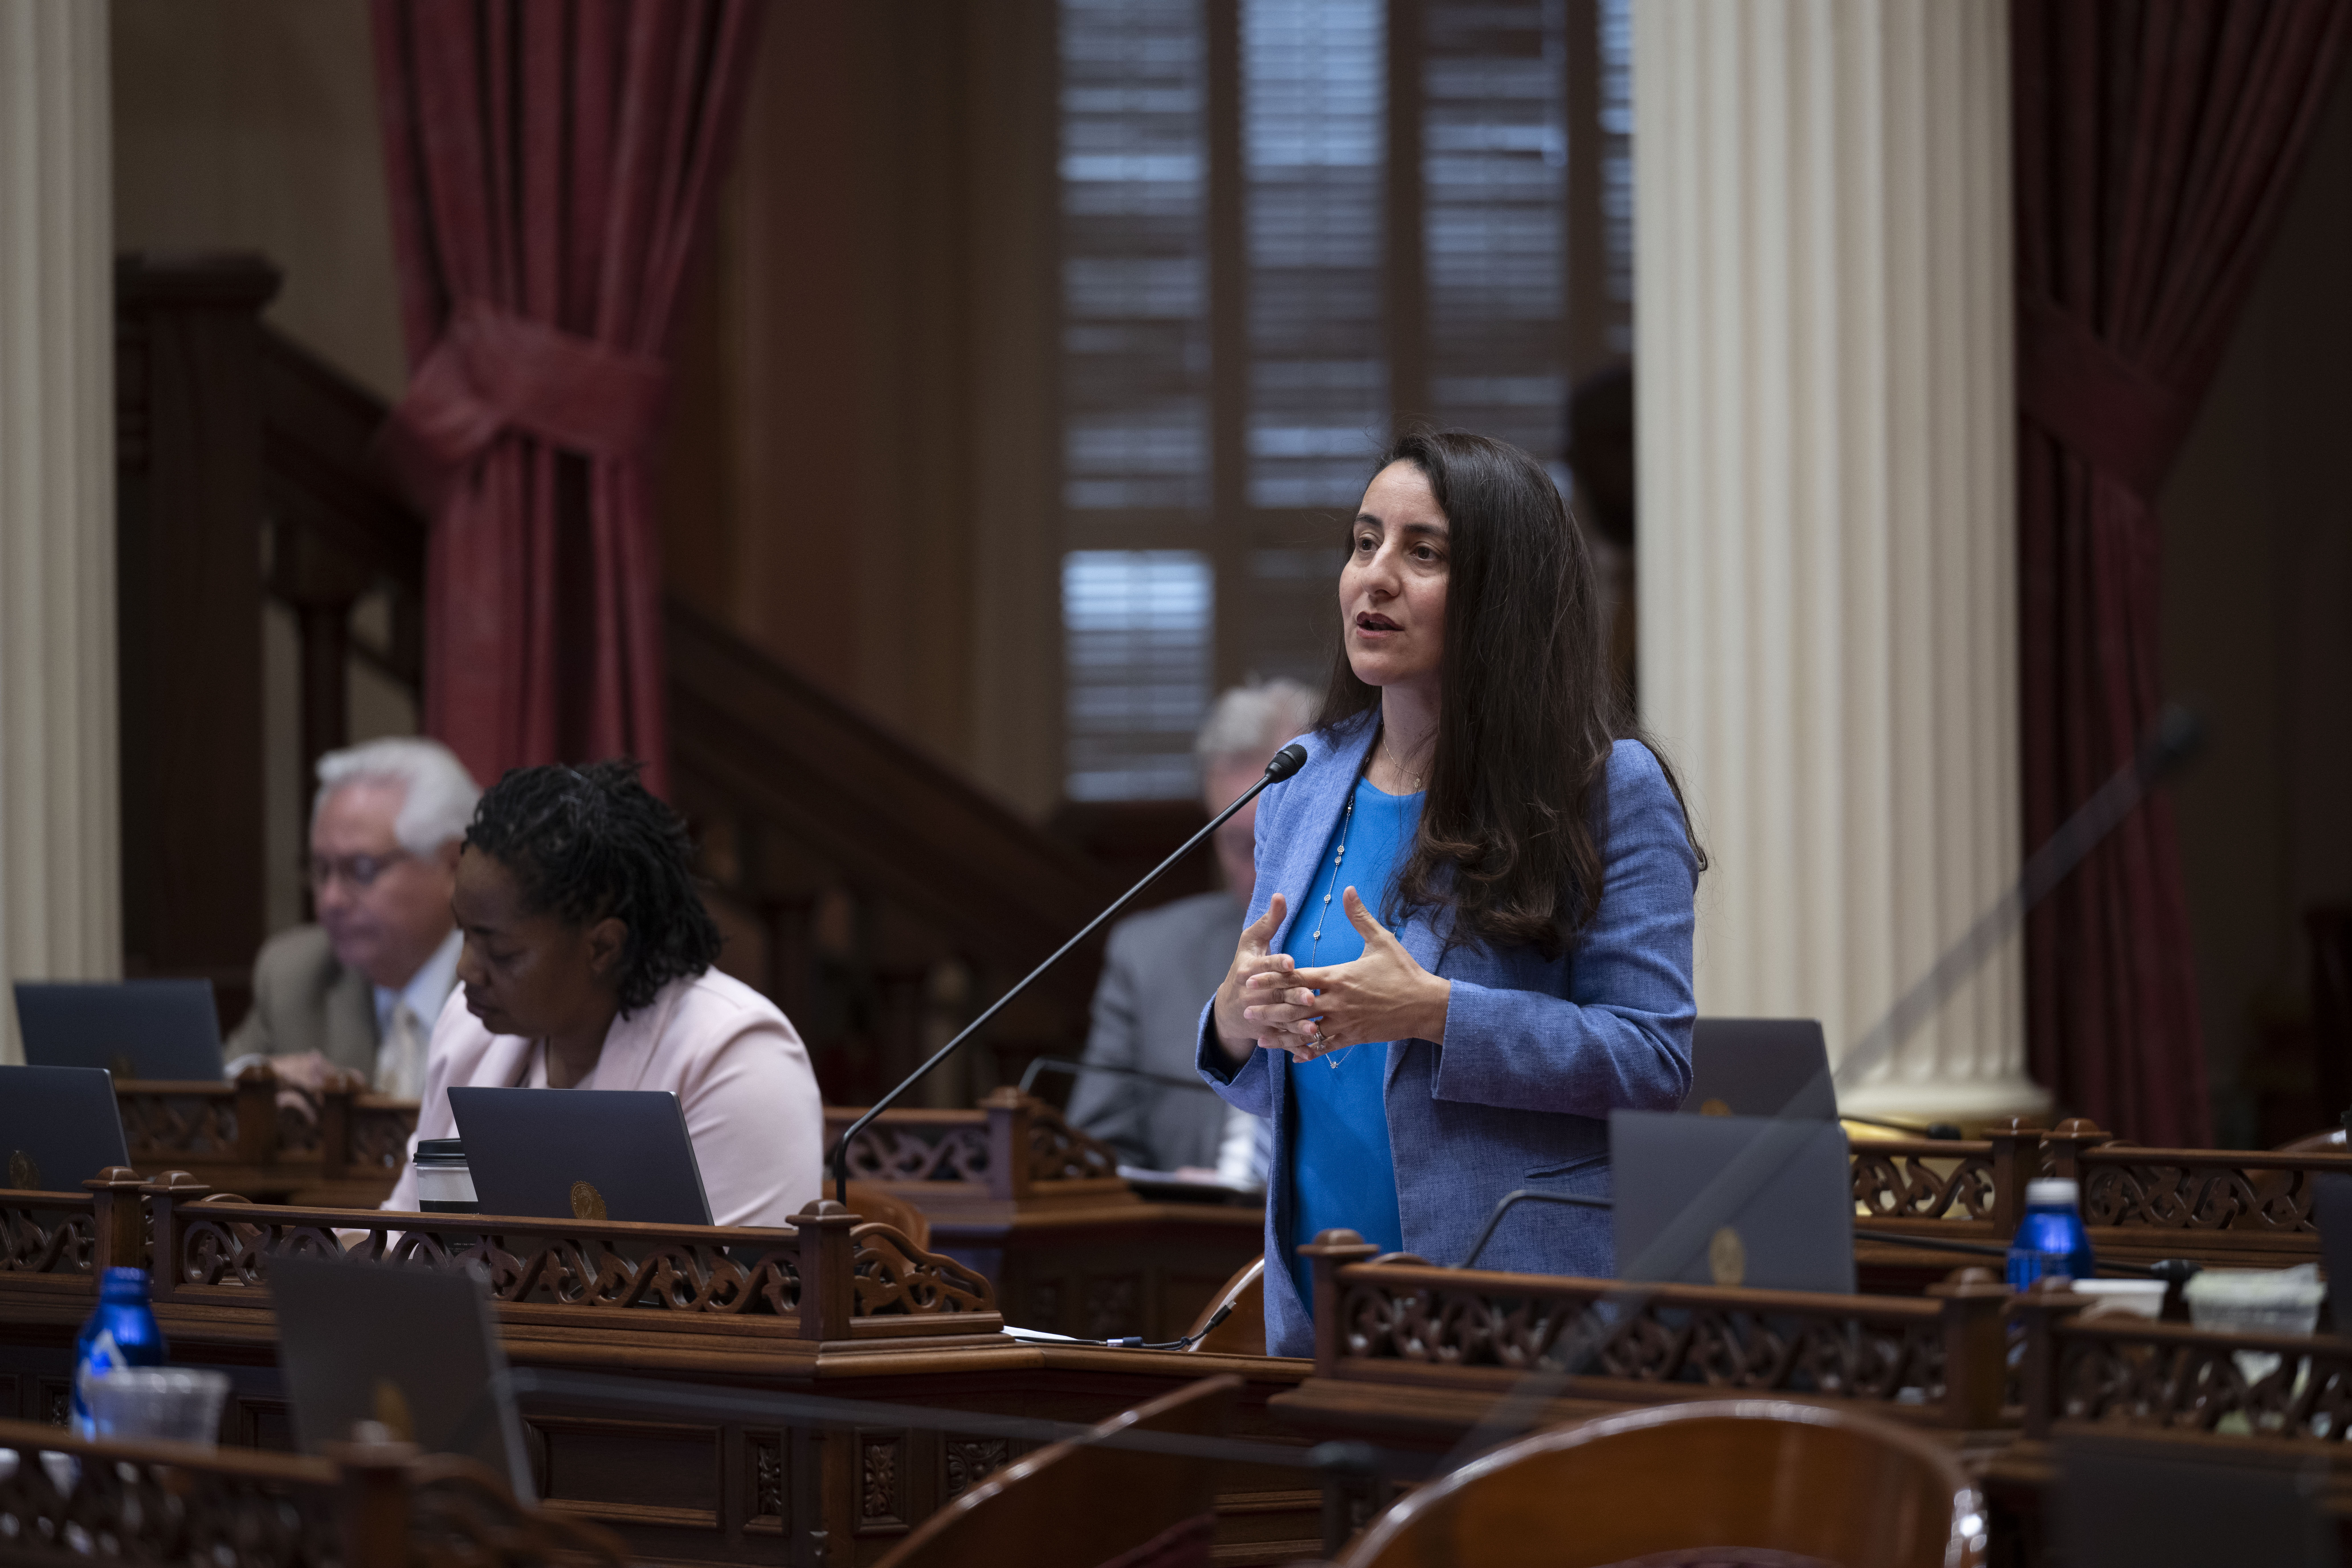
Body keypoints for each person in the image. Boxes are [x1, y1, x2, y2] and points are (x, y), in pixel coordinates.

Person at [1200, 429, 1703, 1358]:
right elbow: (1308, 1084)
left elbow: (1651, 1062)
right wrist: (1238, 1020)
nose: (1375, 577)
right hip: (1317, 1307)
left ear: (1500, 593)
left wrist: (1436, 1013)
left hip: (1511, 1314)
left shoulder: (1604, 788)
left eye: (1422, 553)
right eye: (1364, 543)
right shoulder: (1304, 777)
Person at [384, 761, 823, 1226]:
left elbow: (737, 1271)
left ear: (603, 947)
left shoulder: (737, 1059)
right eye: (465, 933)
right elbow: (402, 1231)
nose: (466, 969)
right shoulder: (469, 1023)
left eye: (502, 952)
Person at [1067, 680, 1314, 1182]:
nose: (1260, 871)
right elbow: (1092, 1157)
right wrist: (1175, 1200)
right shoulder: (1149, 954)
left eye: (1278, 838)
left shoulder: (1391, 954)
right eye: (1239, 845)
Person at [226, 738, 481, 1097]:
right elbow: (210, 1092)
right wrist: (255, 1087)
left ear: (453, 867)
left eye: (361, 870)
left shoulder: (508, 983)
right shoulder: (295, 975)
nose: (331, 899)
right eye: (321, 870)